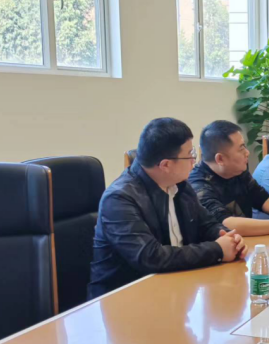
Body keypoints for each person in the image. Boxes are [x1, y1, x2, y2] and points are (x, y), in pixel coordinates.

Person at [89, 118, 246, 299]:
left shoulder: (180, 185)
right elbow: (150, 257)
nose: (194, 161)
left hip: (175, 286)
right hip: (124, 298)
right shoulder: (119, 199)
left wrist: (228, 237)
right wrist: (217, 250)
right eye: (190, 155)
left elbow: (207, 224)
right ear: (165, 165)